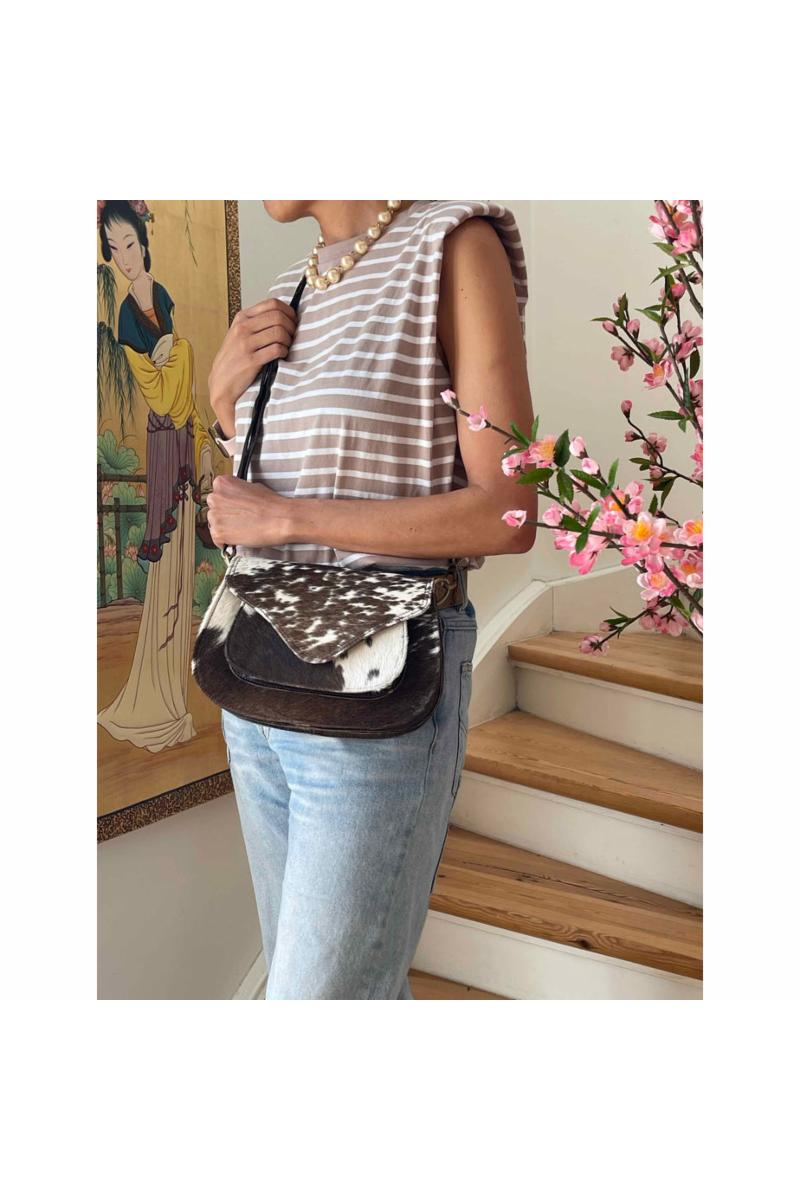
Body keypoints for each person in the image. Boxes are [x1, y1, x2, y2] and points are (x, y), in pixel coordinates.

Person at [205, 200, 535, 999]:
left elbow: (509, 510)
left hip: (377, 684)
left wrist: (289, 519)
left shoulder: (453, 246)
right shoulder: (289, 290)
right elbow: (260, 499)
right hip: (259, 678)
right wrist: (222, 400)